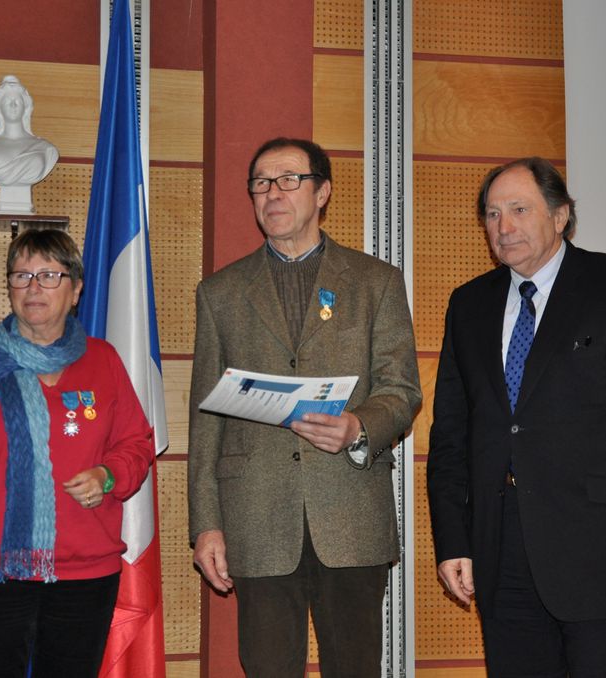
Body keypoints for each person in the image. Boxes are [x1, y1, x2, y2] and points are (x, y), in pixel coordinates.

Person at [427, 158, 606, 677]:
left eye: (519, 209)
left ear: (561, 216)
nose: (503, 227)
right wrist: (454, 541)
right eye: (492, 214)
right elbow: (451, 437)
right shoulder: (469, 305)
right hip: (502, 556)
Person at [188, 137, 422, 677]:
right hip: (256, 519)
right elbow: (207, 421)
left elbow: (402, 389)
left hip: (351, 515)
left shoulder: (375, 282)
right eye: (261, 183)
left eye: (289, 179)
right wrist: (207, 526)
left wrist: (358, 426)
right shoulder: (220, 293)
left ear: (323, 193)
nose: (273, 193)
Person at [0, 228, 155, 678]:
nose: (33, 287)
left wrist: (108, 475)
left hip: (85, 573)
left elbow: (136, 443)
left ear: (76, 289)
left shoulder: (104, 361)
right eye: (21, 275)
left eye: (48, 275)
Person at [0, 75, 59, 213]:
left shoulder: (46, 148)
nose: (13, 105)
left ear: (26, 107)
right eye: (8, 102)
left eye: (17, 101)